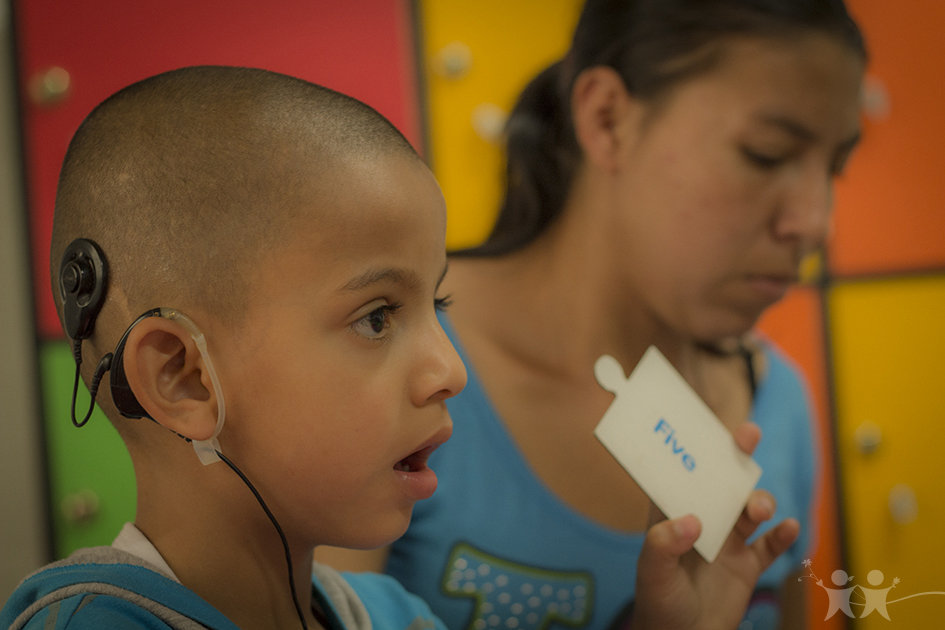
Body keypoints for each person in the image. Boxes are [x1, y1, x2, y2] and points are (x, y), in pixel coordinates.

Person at [1, 65, 795, 630]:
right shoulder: (90, 623)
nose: (450, 370)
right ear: (182, 376)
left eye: (437, 303)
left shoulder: (390, 616)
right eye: (377, 316)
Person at [316, 1, 867, 629]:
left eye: (836, 166)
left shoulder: (780, 405)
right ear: (607, 119)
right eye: (766, 154)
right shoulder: (395, 361)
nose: (815, 223)